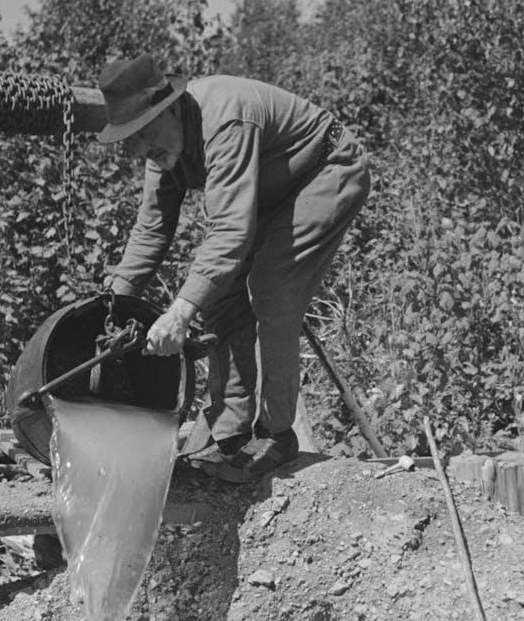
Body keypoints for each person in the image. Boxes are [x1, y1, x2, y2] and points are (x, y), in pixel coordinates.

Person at [98, 54, 370, 482]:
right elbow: (150, 232)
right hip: (268, 191)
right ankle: (231, 433)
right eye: (133, 140)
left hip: (325, 169)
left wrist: (179, 313)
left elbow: (230, 231)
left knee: (271, 286)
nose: (145, 148)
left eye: (147, 133)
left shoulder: (225, 119)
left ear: (171, 108)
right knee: (220, 292)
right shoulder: (161, 149)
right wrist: (109, 307)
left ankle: (277, 434)